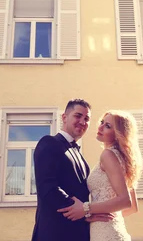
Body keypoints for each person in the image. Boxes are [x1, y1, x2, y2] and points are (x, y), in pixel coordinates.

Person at [32, 99, 112, 241]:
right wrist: (86, 212)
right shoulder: (49, 142)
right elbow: (48, 187)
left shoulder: (81, 157)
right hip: (54, 233)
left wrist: (89, 212)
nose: (82, 122)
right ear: (64, 117)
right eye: (78, 116)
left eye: (86, 119)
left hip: (79, 234)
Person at [58, 110, 142, 241]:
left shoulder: (108, 155)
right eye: (102, 122)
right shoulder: (122, 159)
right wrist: (95, 216)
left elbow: (126, 201)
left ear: (118, 134)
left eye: (108, 126)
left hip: (105, 233)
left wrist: (86, 209)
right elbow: (132, 208)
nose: (101, 127)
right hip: (111, 229)